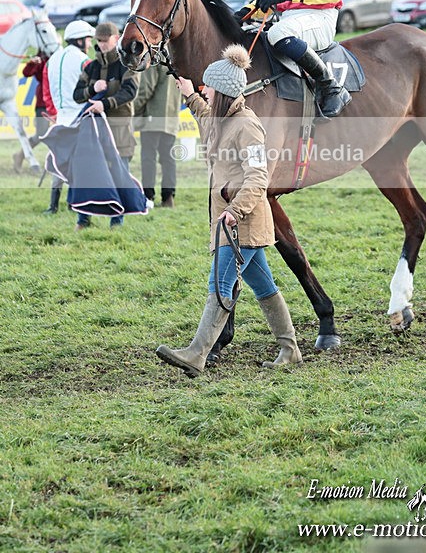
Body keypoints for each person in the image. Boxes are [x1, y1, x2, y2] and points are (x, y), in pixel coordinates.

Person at [156, 44, 303, 378]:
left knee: (220, 284)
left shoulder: (247, 126)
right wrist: (190, 95)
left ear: (221, 91)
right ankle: (290, 349)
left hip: (241, 223)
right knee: (264, 287)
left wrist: (235, 211)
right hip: (232, 222)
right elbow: (207, 121)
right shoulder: (223, 118)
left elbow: (258, 176)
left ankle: (196, 353)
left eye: (208, 87)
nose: (205, 90)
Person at [73, 22, 140, 229]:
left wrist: (105, 103)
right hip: (94, 133)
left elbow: (129, 92)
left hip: (119, 131)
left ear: (116, 38)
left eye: (105, 40)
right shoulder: (91, 67)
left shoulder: (126, 64)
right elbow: (77, 95)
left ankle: (117, 222)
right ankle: (83, 220)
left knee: (119, 176)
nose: (101, 45)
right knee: (88, 175)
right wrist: (92, 88)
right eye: (99, 41)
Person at [41, 20, 95, 214]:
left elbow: (46, 92)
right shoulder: (84, 61)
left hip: (60, 117)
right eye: (88, 40)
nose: (89, 44)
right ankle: (75, 203)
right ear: (80, 40)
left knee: (59, 160)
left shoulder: (51, 60)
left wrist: (54, 113)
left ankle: (53, 205)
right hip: (79, 116)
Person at [133, 63, 181, 208]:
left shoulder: (154, 59)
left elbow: (146, 89)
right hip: (172, 117)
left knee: (148, 158)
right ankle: (168, 197)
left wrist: (132, 109)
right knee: (168, 159)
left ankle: (148, 197)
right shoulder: (175, 56)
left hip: (152, 117)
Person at [13, 43, 59, 173]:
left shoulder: (60, 57)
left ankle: (58, 166)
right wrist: (32, 63)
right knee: (41, 134)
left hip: (59, 102)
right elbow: (26, 72)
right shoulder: (41, 59)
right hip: (43, 102)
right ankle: (20, 154)